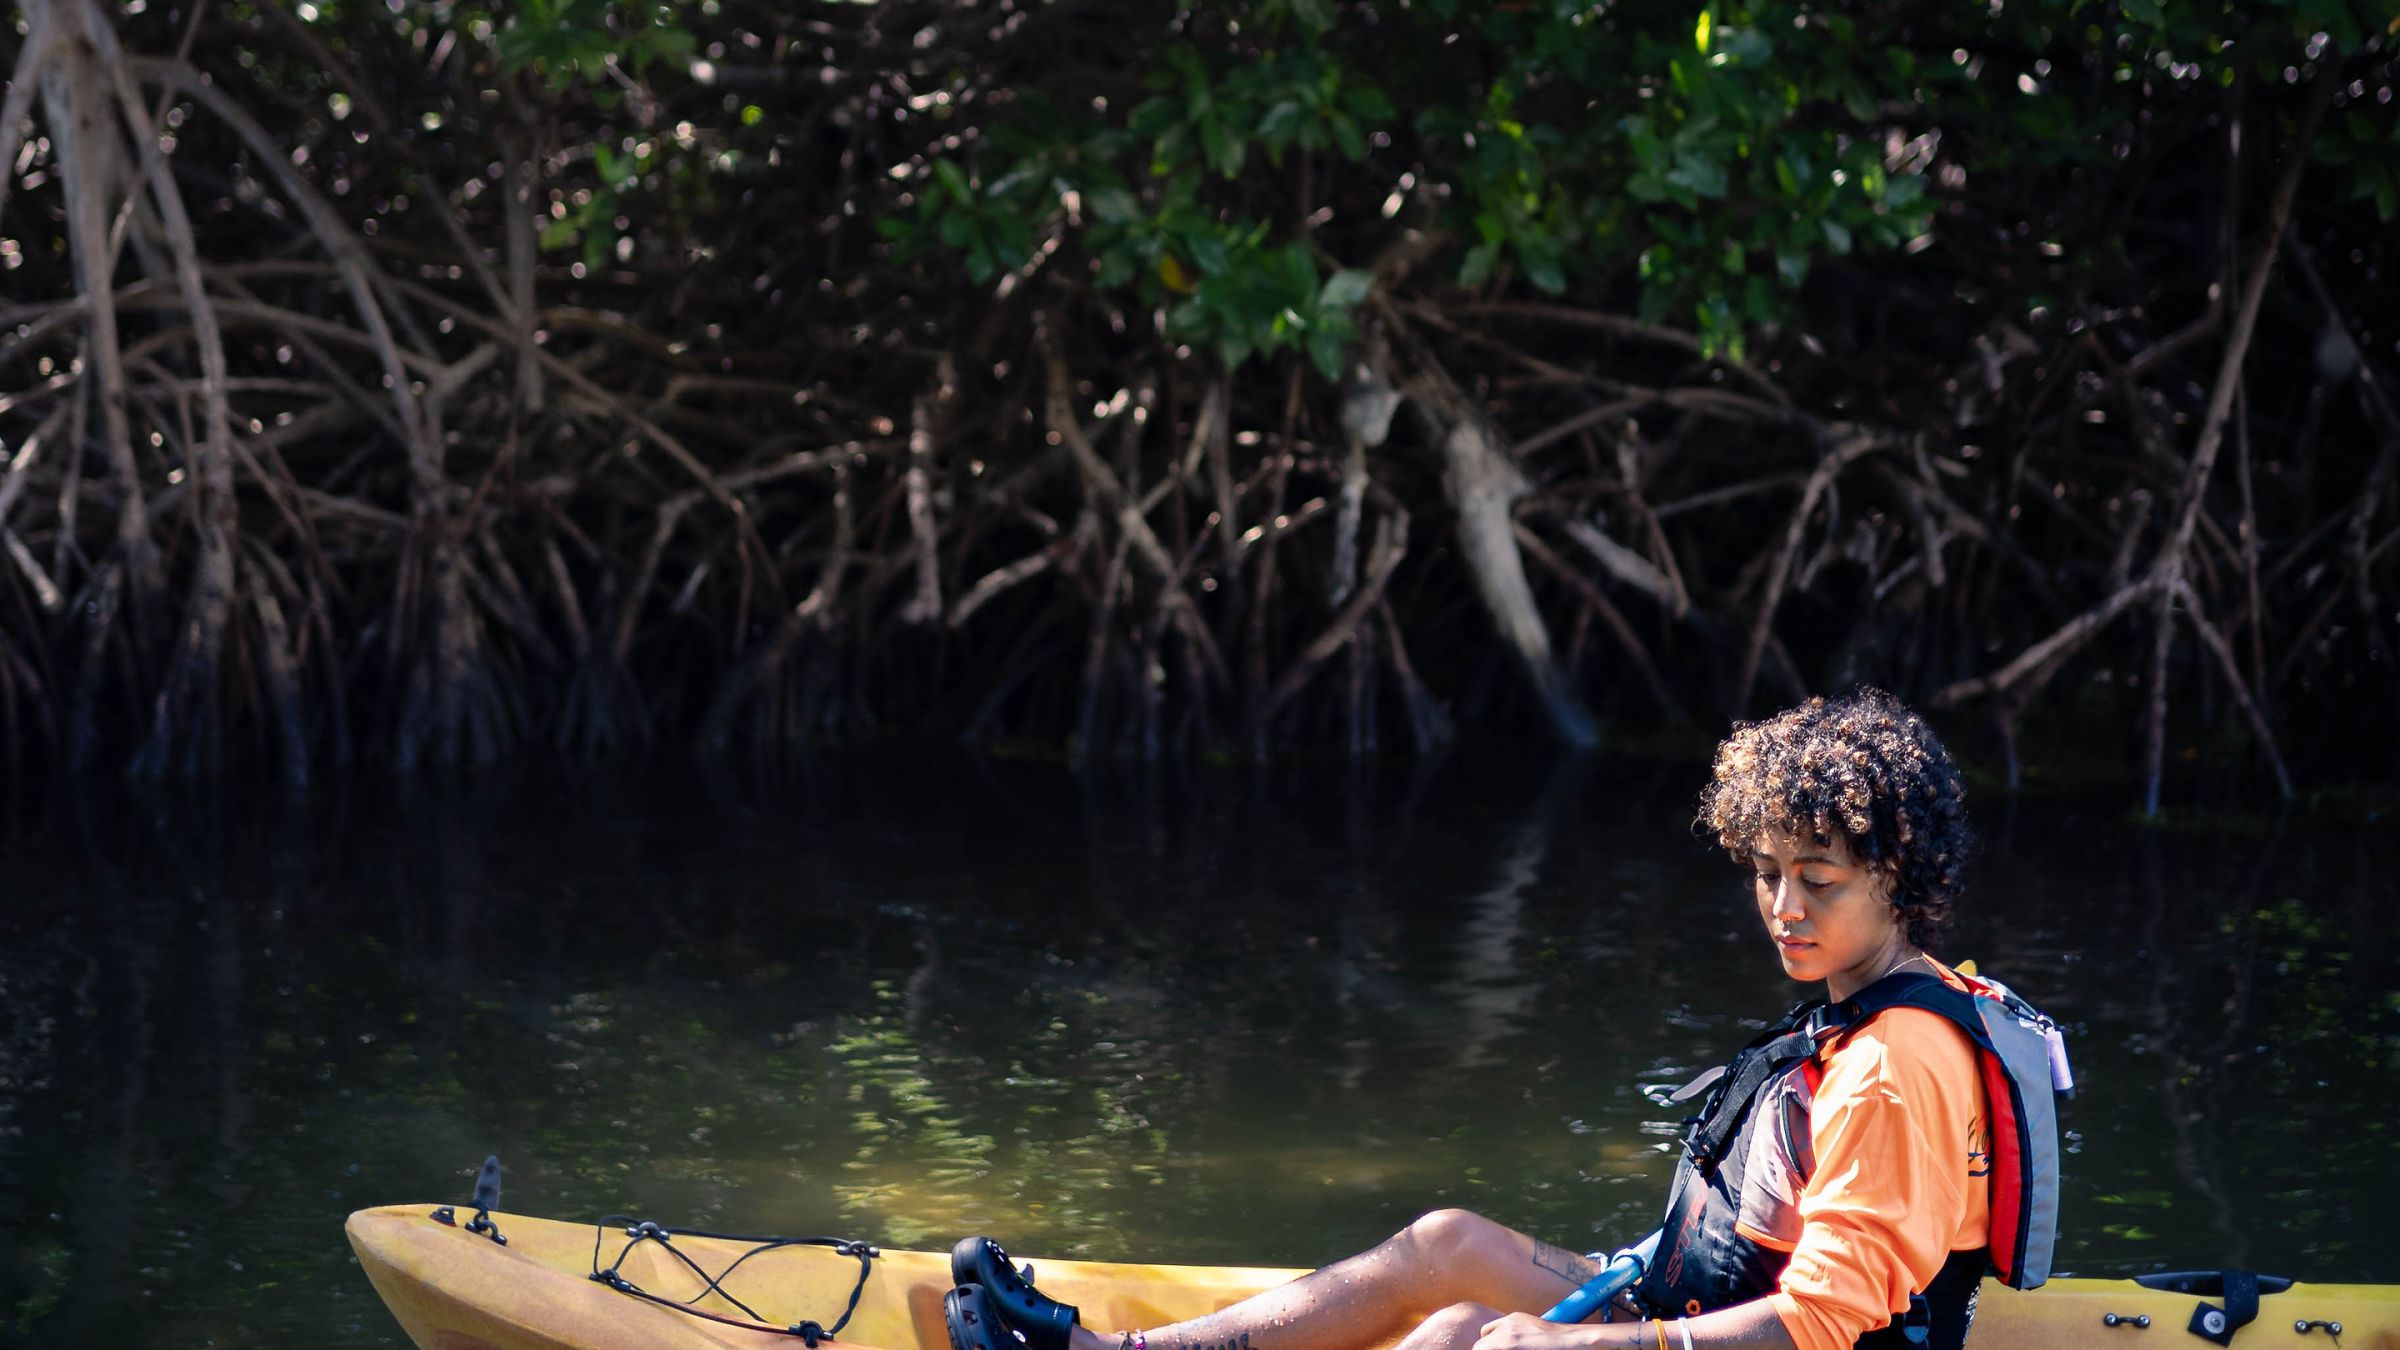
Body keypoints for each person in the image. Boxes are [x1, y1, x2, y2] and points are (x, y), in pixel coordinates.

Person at [945, 689, 2058, 1350]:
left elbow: (1821, 1324)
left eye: (1819, 878)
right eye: (1766, 871)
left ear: (1899, 878)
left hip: (1737, 1337)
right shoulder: (1871, 1008)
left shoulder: (1893, 1069)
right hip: (1691, 1297)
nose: (1783, 906)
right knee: (1447, 1248)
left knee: (1457, 1340)